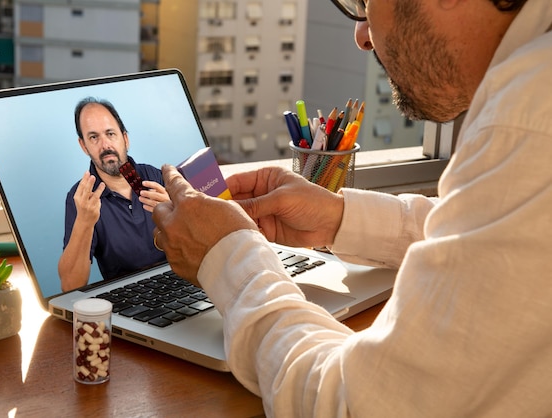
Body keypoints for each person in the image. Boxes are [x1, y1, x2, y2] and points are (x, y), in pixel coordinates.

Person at [151, 0, 552, 416]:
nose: (362, 36)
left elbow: (352, 404)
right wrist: (338, 218)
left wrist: (230, 261)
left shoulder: (526, 122)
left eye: (365, 4)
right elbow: (496, 234)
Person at [58, 97, 169, 292]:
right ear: (84, 146)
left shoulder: (155, 176)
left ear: (125, 139)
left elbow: (203, 245)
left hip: (180, 281)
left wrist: (176, 214)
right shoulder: (81, 197)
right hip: (129, 300)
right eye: (94, 137)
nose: (105, 145)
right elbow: (71, 285)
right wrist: (84, 221)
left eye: (110, 134)